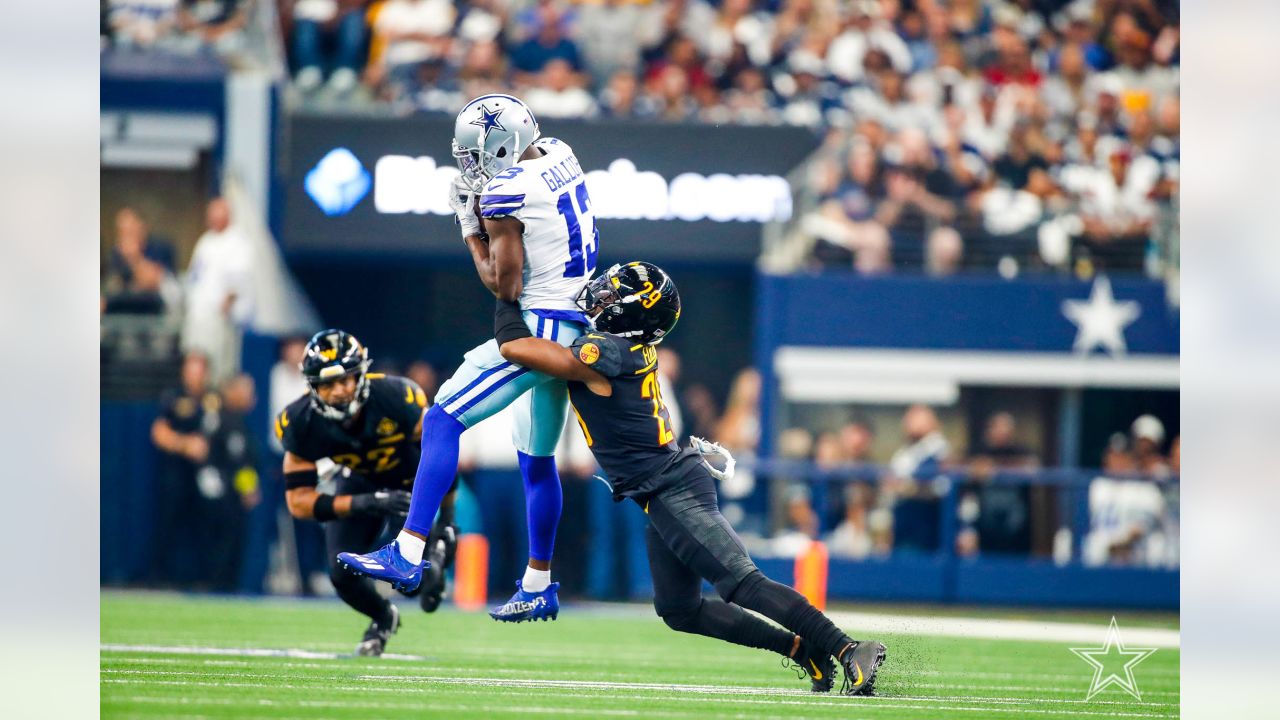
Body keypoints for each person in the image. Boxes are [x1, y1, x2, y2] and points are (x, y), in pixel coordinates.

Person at [483, 261, 887, 695]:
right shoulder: (623, 346)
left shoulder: (609, 353)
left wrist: (507, 300)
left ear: (630, 314)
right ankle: (801, 649)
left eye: (614, 294)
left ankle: (848, 649)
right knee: (679, 609)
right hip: (663, 487)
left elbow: (516, 350)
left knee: (741, 582)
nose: (602, 295)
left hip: (670, 488)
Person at [340, 94, 601, 624]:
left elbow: (503, 283)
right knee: (536, 461)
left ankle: (408, 552)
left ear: (503, 145)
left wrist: (468, 225)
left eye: (475, 153)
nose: (469, 164)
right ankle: (538, 581)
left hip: (539, 327)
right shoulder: (557, 150)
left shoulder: (506, 189)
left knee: (441, 419)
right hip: (576, 319)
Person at [276, 330, 458, 655]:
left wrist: (446, 522)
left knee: (417, 584)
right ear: (312, 386)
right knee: (340, 572)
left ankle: (439, 551)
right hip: (359, 484)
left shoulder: (397, 397)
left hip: (408, 481)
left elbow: (440, 462)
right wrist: (366, 502)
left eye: (345, 380)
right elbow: (299, 503)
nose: (339, 391)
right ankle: (382, 616)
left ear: (361, 374)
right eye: (328, 384)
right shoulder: (300, 422)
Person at [149, 352, 219, 587]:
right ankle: (159, 577)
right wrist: (185, 445)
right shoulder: (174, 397)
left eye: (200, 370)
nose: (196, 376)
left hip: (205, 475)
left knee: (205, 528)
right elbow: (159, 432)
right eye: (191, 370)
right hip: (176, 472)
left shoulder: (212, 398)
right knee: (167, 525)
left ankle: (203, 579)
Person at [181, 197, 254, 384]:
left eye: (217, 212)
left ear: (227, 214)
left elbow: (237, 282)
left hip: (220, 319)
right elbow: (194, 276)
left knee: (218, 371)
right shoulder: (206, 240)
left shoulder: (237, 241)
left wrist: (225, 308)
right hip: (198, 316)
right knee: (194, 363)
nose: (212, 217)